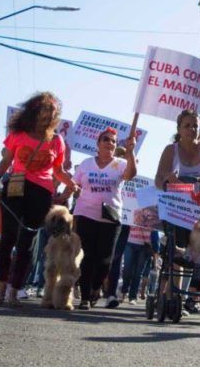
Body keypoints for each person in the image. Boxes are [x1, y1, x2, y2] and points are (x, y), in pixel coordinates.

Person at [0, 92, 79, 307]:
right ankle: (1, 288)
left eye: (53, 113)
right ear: (34, 111)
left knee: (26, 243)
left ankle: (14, 289)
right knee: (8, 238)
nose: (48, 116)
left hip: (41, 192)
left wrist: (71, 183)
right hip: (16, 188)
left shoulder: (57, 141)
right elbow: (6, 161)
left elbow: (57, 170)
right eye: (45, 111)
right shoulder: (18, 134)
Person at [154, 109, 200, 312]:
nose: (192, 129)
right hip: (179, 207)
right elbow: (159, 180)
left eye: (195, 126)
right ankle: (169, 293)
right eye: (187, 125)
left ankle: (198, 294)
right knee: (176, 244)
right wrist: (169, 180)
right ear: (179, 129)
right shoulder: (171, 150)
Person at [73, 127, 137, 310]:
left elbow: (130, 175)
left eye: (113, 141)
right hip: (85, 213)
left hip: (110, 217)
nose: (110, 143)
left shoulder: (120, 164)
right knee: (86, 256)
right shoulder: (86, 164)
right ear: (98, 143)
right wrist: (66, 194)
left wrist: (130, 153)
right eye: (106, 140)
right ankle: (85, 297)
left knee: (105, 259)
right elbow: (74, 184)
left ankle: (96, 287)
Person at [120, 226, 159, 305]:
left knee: (138, 273)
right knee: (127, 270)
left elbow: (155, 233)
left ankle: (132, 297)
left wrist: (155, 260)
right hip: (130, 242)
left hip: (145, 245)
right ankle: (123, 292)